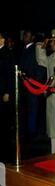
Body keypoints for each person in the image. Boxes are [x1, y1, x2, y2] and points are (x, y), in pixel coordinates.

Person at [19, 29, 47, 138]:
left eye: (27, 35)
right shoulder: (22, 49)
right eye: (24, 34)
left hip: (33, 85)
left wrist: (35, 81)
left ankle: (32, 133)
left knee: (33, 110)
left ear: (32, 37)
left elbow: (42, 66)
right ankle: (24, 132)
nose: (25, 36)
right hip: (23, 85)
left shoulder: (37, 48)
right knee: (24, 109)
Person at [0, 31, 15, 161]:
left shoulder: (7, 54)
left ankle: (5, 149)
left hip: (3, 91)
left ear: (2, 40)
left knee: (4, 120)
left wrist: (7, 92)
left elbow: (10, 75)